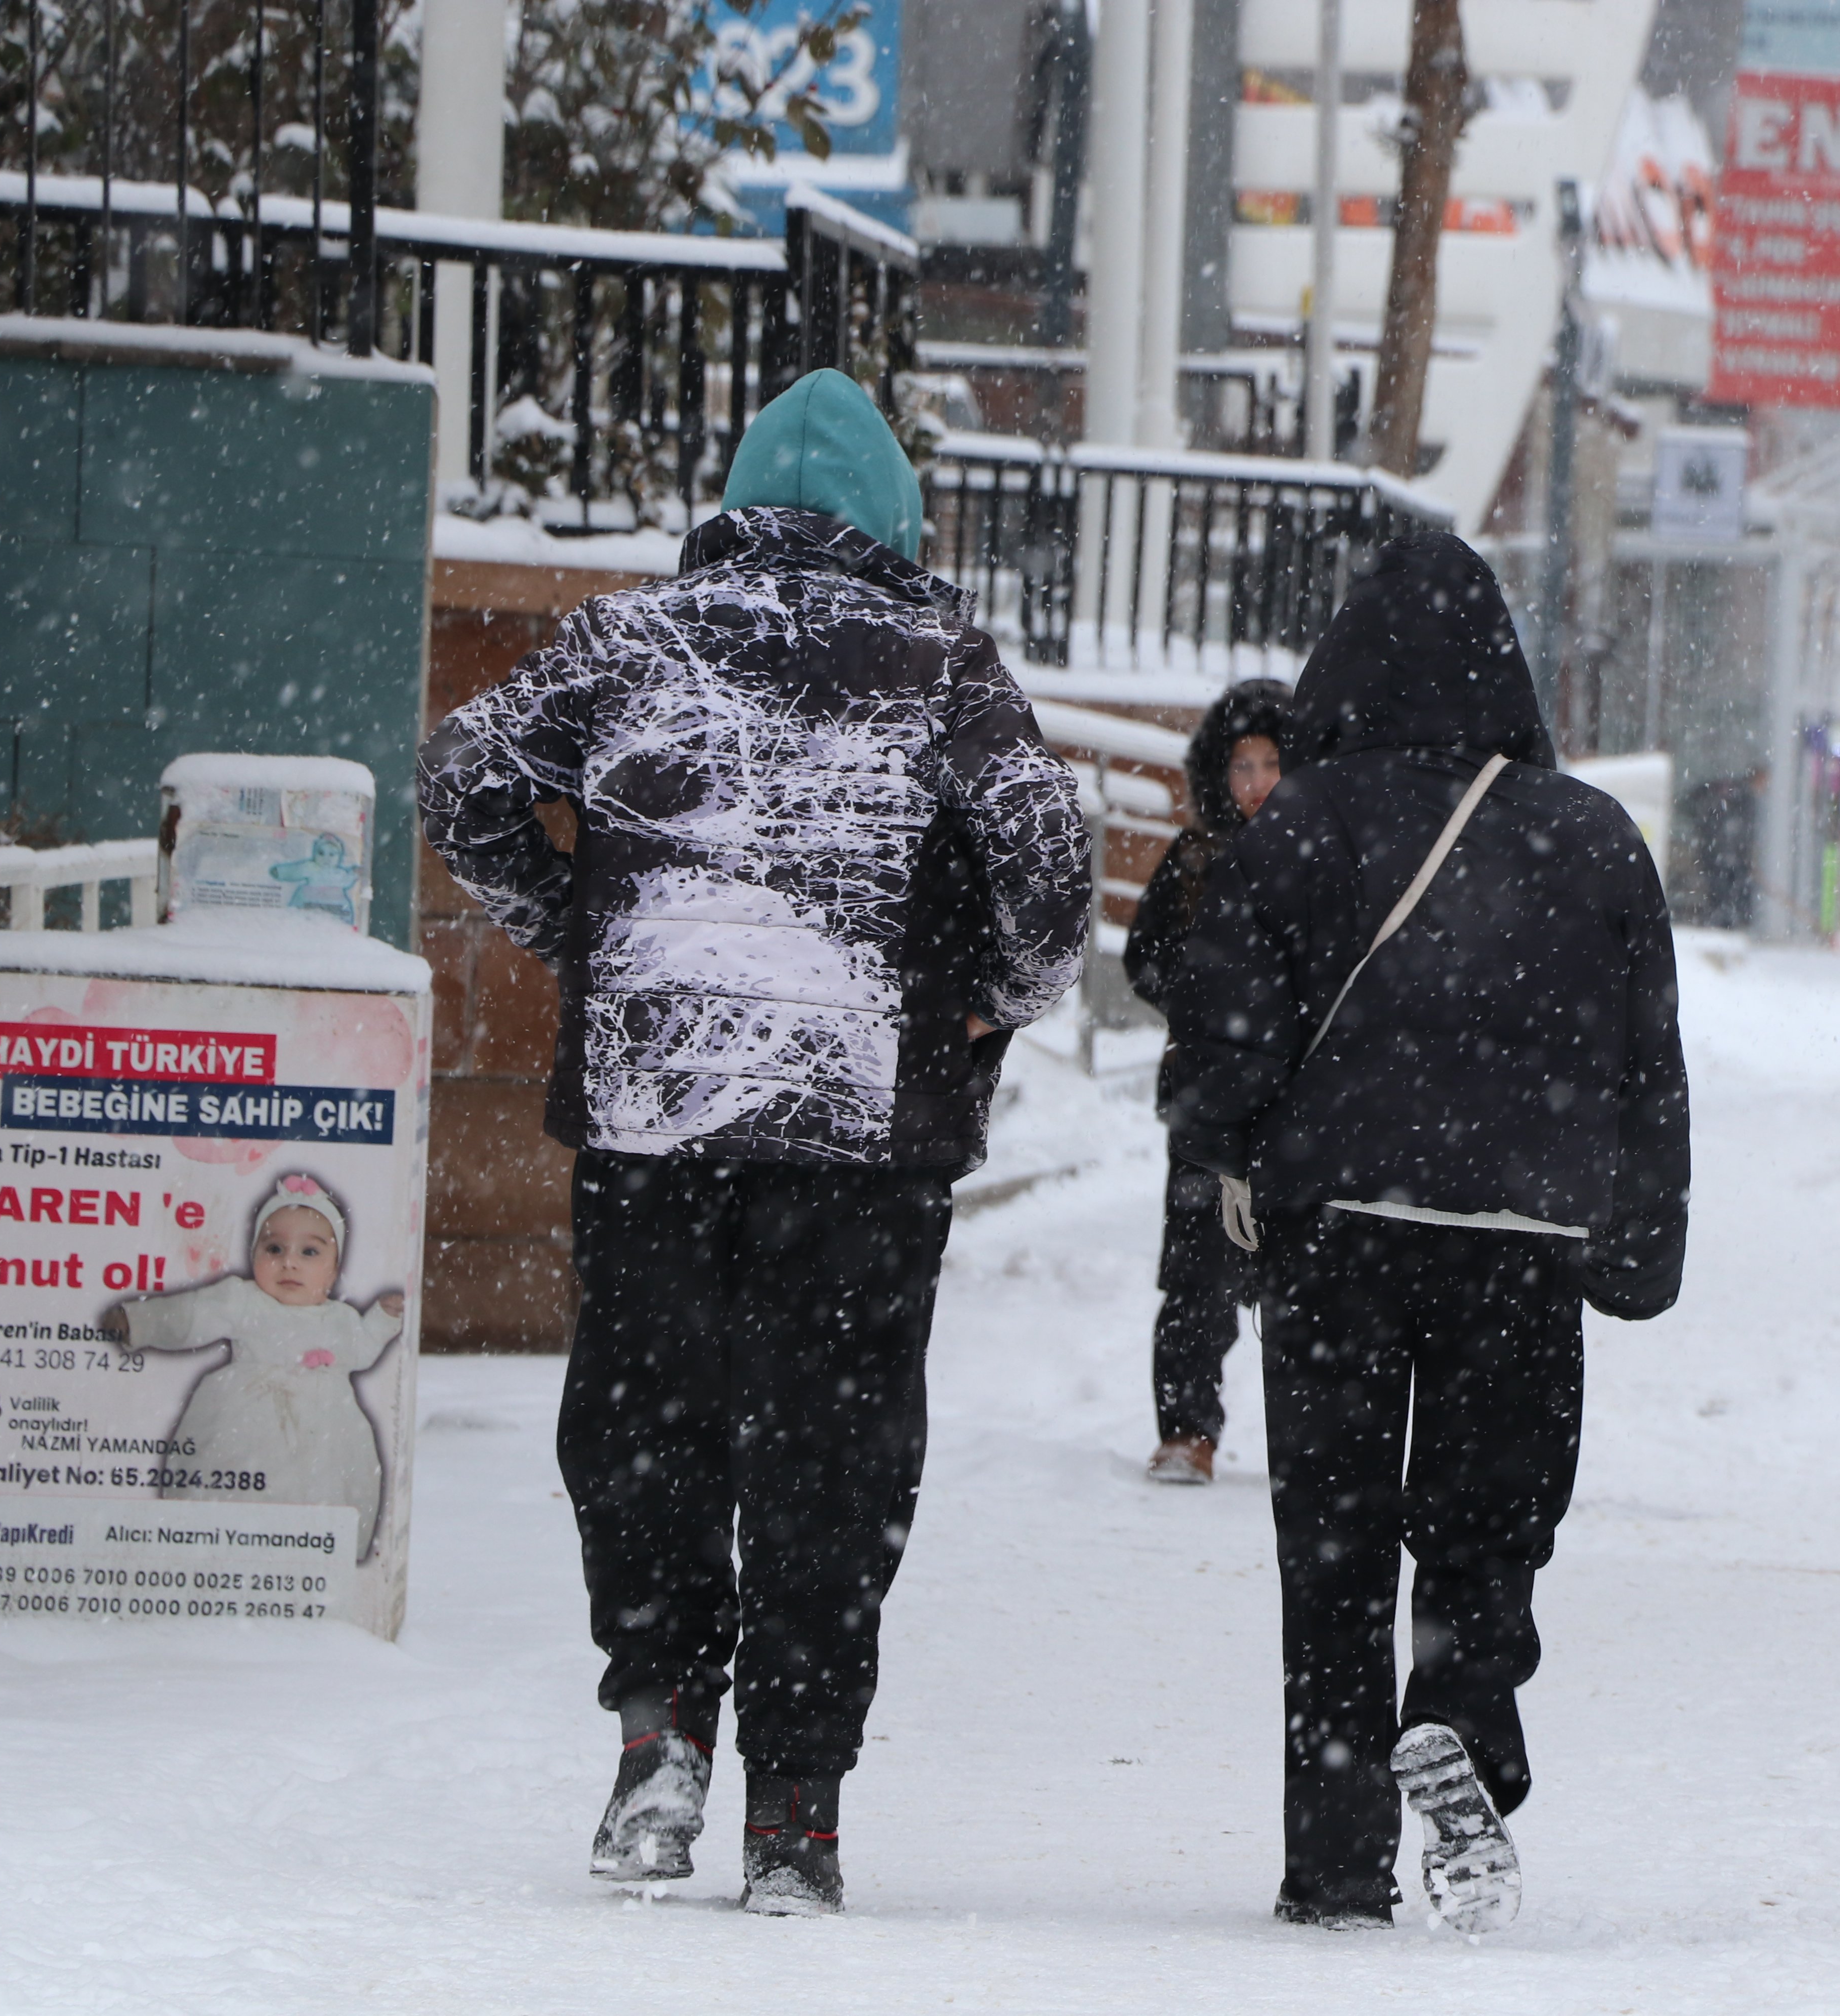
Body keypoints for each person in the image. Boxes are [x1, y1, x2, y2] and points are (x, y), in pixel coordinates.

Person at [417, 366, 1090, 1917]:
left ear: (731, 506)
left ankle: (660, 1736)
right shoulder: (940, 663)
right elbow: (1049, 861)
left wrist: (582, 934)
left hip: (658, 1119)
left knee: (648, 1424)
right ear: (895, 518)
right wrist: (991, 1002)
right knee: (833, 1459)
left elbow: (464, 781)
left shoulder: (623, 638)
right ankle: (799, 1805)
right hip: (863, 1144)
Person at [1163, 527, 1689, 1935]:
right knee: (1492, 1513)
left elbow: (1225, 1033)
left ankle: (1337, 1862)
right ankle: (1459, 1707)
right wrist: (1643, 1237)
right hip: (1520, 1236)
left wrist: (1223, 1158)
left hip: (1338, 1231)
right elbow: (1649, 1060)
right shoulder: (1589, 834)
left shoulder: (1303, 830)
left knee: (1332, 1544)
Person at [1122, 679, 1300, 1485]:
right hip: (1207, 1099)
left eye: (1271, 763)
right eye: (1241, 767)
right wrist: (1210, 1009)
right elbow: (1147, 961)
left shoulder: (1320, 861)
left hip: (1301, 1103)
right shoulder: (1194, 861)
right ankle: (1188, 1427)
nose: (1256, 782)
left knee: (1303, 1282)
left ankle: (1315, 1442)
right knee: (1197, 1274)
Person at [104, 1173, 404, 1556]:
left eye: (309, 1253)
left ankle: (321, 1554)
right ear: (253, 1256)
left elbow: (361, 1350)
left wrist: (383, 1319)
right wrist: (140, 1323)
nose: (289, 1263)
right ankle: (220, 1547)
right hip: (246, 1416)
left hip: (328, 1428)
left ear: (333, 1272)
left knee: (331, 1486)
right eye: (274, 1248)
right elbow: (191, 1316)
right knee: (230, 1480)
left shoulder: (341, 1320)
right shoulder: (243, 1301)